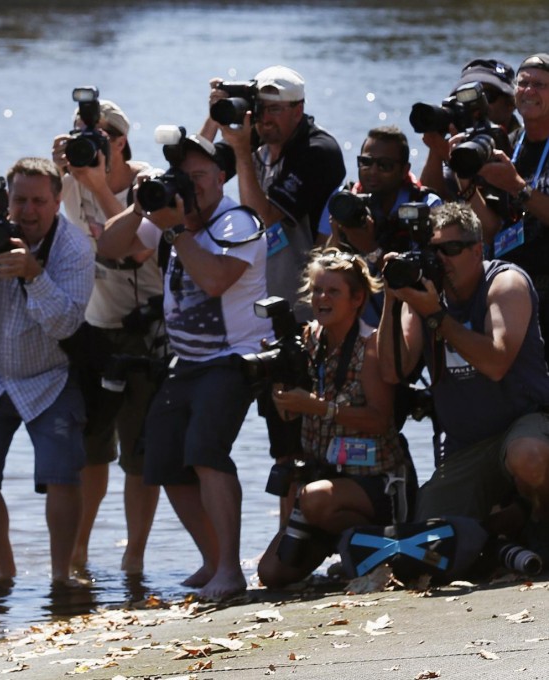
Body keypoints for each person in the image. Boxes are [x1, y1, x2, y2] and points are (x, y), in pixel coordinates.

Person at [98, 132, 271, 601]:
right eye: (183, 178)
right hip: (186, 362)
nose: (190, 187)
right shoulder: (173, 218)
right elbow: (110, 249)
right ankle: (213, 561)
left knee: (204, 451)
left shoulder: (236, 223)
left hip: (235, 358)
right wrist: (138, 207)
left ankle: (231, 571)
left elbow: (216, 280)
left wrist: (175, 230)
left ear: (219, 178)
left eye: (198, 176)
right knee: (163, 457)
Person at [0, 157, 94, 584]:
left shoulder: (74, 248)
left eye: (38, 202)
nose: (27, 211)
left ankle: (61, 576)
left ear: (57, 201)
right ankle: (4, 577)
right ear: (6, 199)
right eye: (19, 200)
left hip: (48, 376)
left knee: (62, 475)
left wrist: (34, 274)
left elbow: (66, 324)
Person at [376, 203, 549, 541]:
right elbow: (393, 370)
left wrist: (437, 317)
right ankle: (504, 526)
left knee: (528, 457)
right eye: (433, 251)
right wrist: (392, 300)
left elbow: (497, 364)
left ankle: (539, 524)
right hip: (467, 446)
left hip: (525, 425)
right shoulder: (425, 295)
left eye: (451, 249)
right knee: (430, 539)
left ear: (477, 249)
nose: (441, 260)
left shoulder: (504, 283)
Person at [202, 65, 346, 469]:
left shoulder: (317, 151)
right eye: (259, 108)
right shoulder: (257, 145)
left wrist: (243, 150)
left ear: (298, 109)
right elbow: (196, 173)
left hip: (307, 315)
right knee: (282, 449)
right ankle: (289, 527)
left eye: (275, 110)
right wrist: (216, 119)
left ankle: (304, 525)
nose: (265, 119)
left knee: (301, 448)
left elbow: (262, 216)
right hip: (258, 316)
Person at [51, 99, 162, 574]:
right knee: (90, 448)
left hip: (144, 331)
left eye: (97, 136)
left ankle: (133, 556)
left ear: (119, 141)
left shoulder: (148, 182)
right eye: (79, 134)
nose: (88, 145)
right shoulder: (69, 181)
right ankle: (77, 552)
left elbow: (137, 247)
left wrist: (99, 186)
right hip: (90, 331)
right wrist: (58, 172)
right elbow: (35, 219)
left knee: (139, 454)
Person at [257, 249, 408, 589]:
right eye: (316, 290)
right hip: (325, 478)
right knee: (271, 574)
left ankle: (382, 550)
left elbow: (380, 420)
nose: (321, 298)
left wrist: (319, 407)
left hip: (374, 482)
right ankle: (345, 548)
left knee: (313, 499)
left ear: (357, 298)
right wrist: (279, 376)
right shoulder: (306, 340)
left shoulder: (369, 344)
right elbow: (288, 411)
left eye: (332, 291)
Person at [469, 54, 549, 362]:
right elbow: (490, 228)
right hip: (507, 289)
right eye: (523, 83)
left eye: (539, 85)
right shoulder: (509, 144)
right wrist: (467, 185)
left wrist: (517, 186)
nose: (529, 90)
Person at [322, 126, 442, 326]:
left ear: (404, 170)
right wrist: (337, 238)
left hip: (407, 326)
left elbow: (425, 284)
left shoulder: (427, 206)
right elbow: (323, 274)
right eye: (366, 162)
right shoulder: (343, 201)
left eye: (384, 165)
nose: (373, 171)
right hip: (354, 327)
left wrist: (371, 249)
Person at [419, 58, 520, 201]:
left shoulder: (523, 143)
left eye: (487, 96)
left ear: (511, 103)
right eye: (465, 99)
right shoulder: (459, 141)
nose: (476, 105)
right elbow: (434, 201)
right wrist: (436, 151)